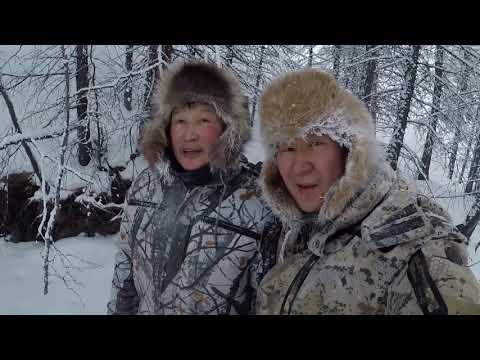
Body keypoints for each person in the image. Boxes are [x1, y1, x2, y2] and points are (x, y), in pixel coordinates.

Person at [255, 68, 480, 315]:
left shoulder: (412, 247)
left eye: (316, 143)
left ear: (350, 152)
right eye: (287, 148)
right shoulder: (288, 225)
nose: (299, 166)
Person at [107, 61, 272, 315]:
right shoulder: (144, 187)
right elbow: (124, 278)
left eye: (203, 120)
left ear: (227, 130)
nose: (189, 134)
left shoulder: (256, 203)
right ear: (166, 128)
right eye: (180, 120)